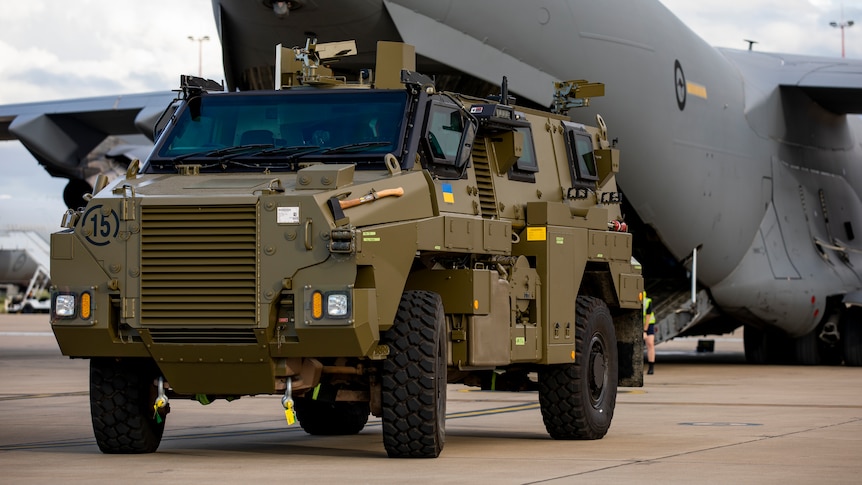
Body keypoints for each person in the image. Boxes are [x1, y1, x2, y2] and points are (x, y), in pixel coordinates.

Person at [643, 291, 656, 374]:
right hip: (637, 323)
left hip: (648, 325)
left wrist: (645, 331)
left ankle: (651, 367)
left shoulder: (647, 301)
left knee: (650, 344)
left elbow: (648, 317)